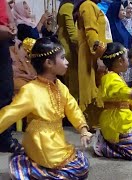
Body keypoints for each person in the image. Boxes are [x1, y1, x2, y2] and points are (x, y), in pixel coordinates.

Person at [0, 37, 91, 179]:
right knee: (75, 170)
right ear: (49, 63)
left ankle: (33, 168)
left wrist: (83, 129)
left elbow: (72, 107)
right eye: (62, 58)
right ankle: (33, 167)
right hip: (41, 142)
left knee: (81, 164)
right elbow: (9, 114)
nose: (67, 62)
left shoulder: (60, 86)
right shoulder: (30, 90)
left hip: (57, 139)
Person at [93, 42, 132, 160]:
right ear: (120, 61)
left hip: (124, 116)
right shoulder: (110, 78)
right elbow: (125, 92)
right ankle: (103, 144)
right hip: (115, 120)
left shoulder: (116, 76)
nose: (129, 61)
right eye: (127, 58)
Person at [74, 0, 112, 128]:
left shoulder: (93, 6)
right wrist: (99, 57)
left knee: (99, 88)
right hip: (93, 55)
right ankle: (93, 123)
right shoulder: (88, 5)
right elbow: (91, 32)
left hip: (98, 53)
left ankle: (97, 122)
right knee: (94, 89)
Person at [0, 0, 23, 153]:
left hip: (2, 45)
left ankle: (4, 137)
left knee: (5, 90)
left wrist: (12, 23)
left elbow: (6, 9)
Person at [57, 0, 79, 99]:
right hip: (69, 50)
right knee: (72, 85)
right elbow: (72, 34)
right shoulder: (68, 7)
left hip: (66, 48)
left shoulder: (65, 6)